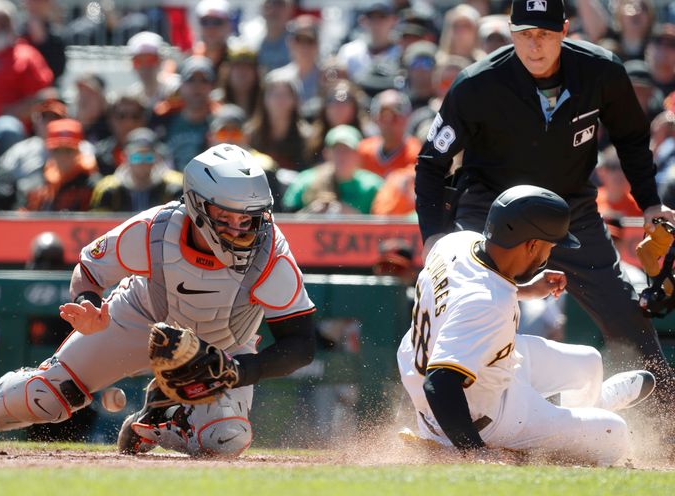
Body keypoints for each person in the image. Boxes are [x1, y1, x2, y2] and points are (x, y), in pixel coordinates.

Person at [0, 143, 317, 458]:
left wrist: (236, 371)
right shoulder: (155, 229)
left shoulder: (270, 253)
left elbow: (301, 342)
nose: (241, 228)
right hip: (141, 317)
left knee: (227, 438)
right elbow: (91, 269)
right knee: (50, 394)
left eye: (249, 218)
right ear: (196, 206)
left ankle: (161, 422)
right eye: (226, 217)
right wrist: (87, 302)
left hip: (225, 345)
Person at [414, 0, 675, 405]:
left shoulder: (601, 71)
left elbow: (631, 140)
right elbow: (432, 164)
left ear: (565, 30)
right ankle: (441, 411)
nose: (535, 46)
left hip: (570, 209)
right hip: (491, 211)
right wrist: (433, 236)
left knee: (626, 314)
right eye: (525, 35)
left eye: (546, 35)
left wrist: (649, 203)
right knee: (467, 307)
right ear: (512, 31)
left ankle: (665, 427)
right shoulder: (476, 83)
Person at [397, 185, 656, 466]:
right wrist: (476, 452)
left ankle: (591, 407)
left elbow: (469, 292)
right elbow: (439, 383)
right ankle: (583, 419)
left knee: (590, 362)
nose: (550, 252)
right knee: (614, 433)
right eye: (550, 245)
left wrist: (524, 289)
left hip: (481, 365)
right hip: (478, 417)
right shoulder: (487, 304)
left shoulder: (457, 243)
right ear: (531, 244)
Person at [283, 125, 383, 214]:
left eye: (347, 150)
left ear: (358, 154)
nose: (342, 156)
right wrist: (311, 213)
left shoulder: (373, 186)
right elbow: (285, 221)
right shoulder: (305, 181)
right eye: (337, 150)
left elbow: (384, 225)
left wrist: (353, 218)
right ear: (326, 153)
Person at [90, 127, 183, 212]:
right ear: (125, 157)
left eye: (148, 157)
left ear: (157, 158)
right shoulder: (108, 189)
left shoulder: (174, 186)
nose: (142, 163)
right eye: (136, 158)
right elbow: (99, 224)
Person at [17, 118, 100, 211]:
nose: (62, 157)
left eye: (68, 151)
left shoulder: (92, 184)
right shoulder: (42, 182)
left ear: (78, 151)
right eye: (57, 150)